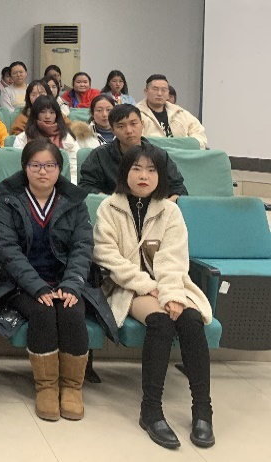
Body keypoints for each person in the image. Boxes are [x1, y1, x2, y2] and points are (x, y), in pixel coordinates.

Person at [93, 146, 214, 449]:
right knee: (160, 321)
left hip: (168, 284)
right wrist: (146, 285)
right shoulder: (109, 207)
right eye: (136, 168)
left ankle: (203, 409)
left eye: (151, 170)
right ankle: (151, 409)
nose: (143, 176)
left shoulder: (170, 211)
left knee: (191, 319)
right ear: (125, 172)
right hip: (127, 286)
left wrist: (171, 293)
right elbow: (107, 256)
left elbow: (174, 259)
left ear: (160, 176)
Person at [0, 140, 117, 422]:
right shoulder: (7, 201)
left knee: (71, 311)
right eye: (35, 165)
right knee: (43, 312)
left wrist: (71, 284)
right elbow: (8, 251)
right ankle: (46, 387)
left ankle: (72, 387)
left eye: (50, 165)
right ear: (25, 168)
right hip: (20, 284)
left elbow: (82, 247)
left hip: (65, 280)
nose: (42, 171)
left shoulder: (74, 202)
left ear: (60, 168)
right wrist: (37, 287)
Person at [79, 104, 187, 200]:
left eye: (133, 124)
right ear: (112, 130)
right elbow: (86, 186)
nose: (129, 131)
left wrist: (166, 206)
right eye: (121, 126)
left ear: (142, 124)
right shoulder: (99, 155)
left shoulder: (159, 155)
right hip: (113, 209)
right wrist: (110, 202)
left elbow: (178, 188)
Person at [13, 96, 80, 181]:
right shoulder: (22, 138)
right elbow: (19, 166)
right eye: (43, 112)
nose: (47, 116)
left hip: (62, 182)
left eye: (52, 112)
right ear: (36, 114)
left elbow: (74, 167)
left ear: (57, 115)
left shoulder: (67, 137)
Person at [137, 75, 207, 149]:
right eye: (155, 89)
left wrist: (187, 145)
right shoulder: (136, 113)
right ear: (146, 92)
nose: (159, 93)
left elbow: (199, 134)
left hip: (182, 154)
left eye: (163, 90)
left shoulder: (179, 112)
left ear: (168, 93)